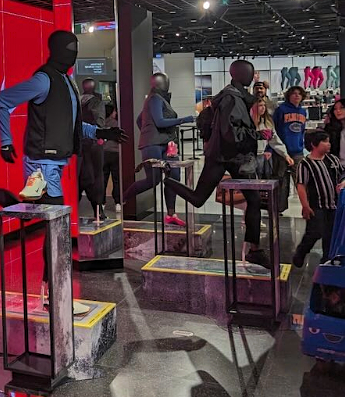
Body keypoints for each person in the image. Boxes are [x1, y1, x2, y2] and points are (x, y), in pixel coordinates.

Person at [0, 30, 127, 308]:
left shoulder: (68, 82)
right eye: (69, 48)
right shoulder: (43, 80)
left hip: (55, 162)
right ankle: (52, 294)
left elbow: (72, 125)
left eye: (75, 47)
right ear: (55, 50)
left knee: (33, 215)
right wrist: (5, 141)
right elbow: (4, 100)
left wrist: (102, 131)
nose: (73, 52)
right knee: (56, 223)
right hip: (41, 163)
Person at [161, 60, 274, 268]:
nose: (252, 77)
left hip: (229, 156)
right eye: (249, 73)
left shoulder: (234, 96)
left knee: (253, 199)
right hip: (225, 156)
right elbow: (229, 132)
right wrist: (255, 134)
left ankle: (255, 249)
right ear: (241, 74)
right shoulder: (231, 98)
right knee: (199, 198)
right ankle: (169, 182)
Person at [121, 73, 194, 226]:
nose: (167, 84)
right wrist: (183, 120)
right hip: (153, 145)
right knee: (152, 180)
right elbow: (160, 122)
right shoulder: (154, 98)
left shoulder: (158, 100)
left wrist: (147, 132)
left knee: (174, 177)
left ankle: (171, 214)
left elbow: (140, 119)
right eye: (165, 82)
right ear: (160, 84)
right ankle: (123, 198)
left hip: (166, 143)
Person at [292, 130, 345, 268]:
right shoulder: (305, 164)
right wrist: (305, 205)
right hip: (317, 206)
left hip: (334, 205)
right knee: (314, 232)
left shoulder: (333, 159)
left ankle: (327, 260)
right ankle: (301, 252)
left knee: (330, 234)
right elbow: (301, 185)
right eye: (325, 141)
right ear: (314, 144)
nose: (328, 144)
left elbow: (341, 176)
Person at [253, 100, 293, 212]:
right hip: (249, 157)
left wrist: (285, 155)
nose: (262, 108)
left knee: (262, 186)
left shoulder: (267, 122)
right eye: (260, 105)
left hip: (262, 157)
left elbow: (275, 141)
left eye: (264, 106)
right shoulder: (247, 121)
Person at [79, 79, 106, 219]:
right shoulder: (96, 102)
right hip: (93, 144)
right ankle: (98, 210)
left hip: (78, 144)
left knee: (82, 176)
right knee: (97, 177)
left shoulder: (76, 101)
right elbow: (99, 121)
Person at [275, 85, 308, 165]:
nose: (297, 95)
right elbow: (274, 128)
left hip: (298, 150)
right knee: (281, 176)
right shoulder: (281, 109)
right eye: (294, 93)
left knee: (299, 175)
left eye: (299, 94)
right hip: (282, 150)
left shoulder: (303, 112)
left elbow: (302, 130)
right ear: (289, 96)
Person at [326, 98, 345, 170]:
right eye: (335, 109)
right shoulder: (331, 129)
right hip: (337, 167)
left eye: (342, 108)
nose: (338, 111)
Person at [103, 104, 122, 212]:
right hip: (115, 154)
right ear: (112, 112)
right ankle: (118, 203)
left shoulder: (101, 124)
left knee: (103, 179)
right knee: (116, 179)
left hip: (103, 154)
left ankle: (101, 203)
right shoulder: (116, 124)